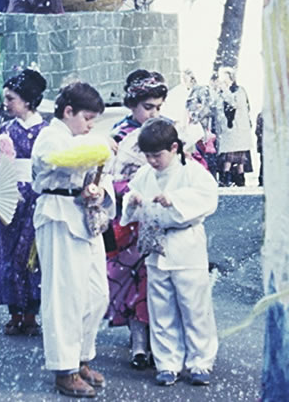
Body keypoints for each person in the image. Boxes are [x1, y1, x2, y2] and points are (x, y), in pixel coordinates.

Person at [31, 81, 115, 398]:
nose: (90, 126)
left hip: (83, 214)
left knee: (96, 293)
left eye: (94, 120)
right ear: (68, 111)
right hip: (57, 214)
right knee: (64, 294)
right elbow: (62, 158)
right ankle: (63, 367)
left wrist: (99, 189)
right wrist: (100, 145)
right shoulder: (50, 136)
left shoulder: (87, 139)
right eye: (87, 118)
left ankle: (81, 356)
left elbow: (101, 171)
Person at [120, 118, 218, 387]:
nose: (152, 161)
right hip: (156, 247)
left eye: (157, 155)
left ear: (174, 148)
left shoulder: (192, 172)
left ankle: (200, 360)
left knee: (194, 307)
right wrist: (134, 201)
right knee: (160, 308)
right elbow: (130, 197)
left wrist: (175, 200)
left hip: (186, 244)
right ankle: (167, 362)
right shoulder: (145, 174)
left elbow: (208, 198)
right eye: (148, 156)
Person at [106, 69, 168, 370]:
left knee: (156, 279)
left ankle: (161, 340)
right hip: (129, 220)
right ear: (132, 105)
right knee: (129, 278)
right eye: (148, 107)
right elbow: (110, 178)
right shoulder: (118, 136)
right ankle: (138, 340)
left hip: (160, 217)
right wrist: (131, 190)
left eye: (158, 106)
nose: (154, 113)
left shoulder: (169, 133)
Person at [0, 69, 48, 336]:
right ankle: (14, 311)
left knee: (32, 255)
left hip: (36, 193)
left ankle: (31, 313)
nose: (7, 103)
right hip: (10, 194)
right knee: (7, 253)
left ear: (28, 100)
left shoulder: (47, 131)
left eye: (11, 98)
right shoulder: (5, 129)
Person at [214, 67, 252, 187]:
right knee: (228, 157)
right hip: (227, 130)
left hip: (238, 129)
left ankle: (239, 180)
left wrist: (225, 91)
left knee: (236, 158)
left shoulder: (239, 91)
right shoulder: (221, 93)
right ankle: (227, 179)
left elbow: (235, 104)